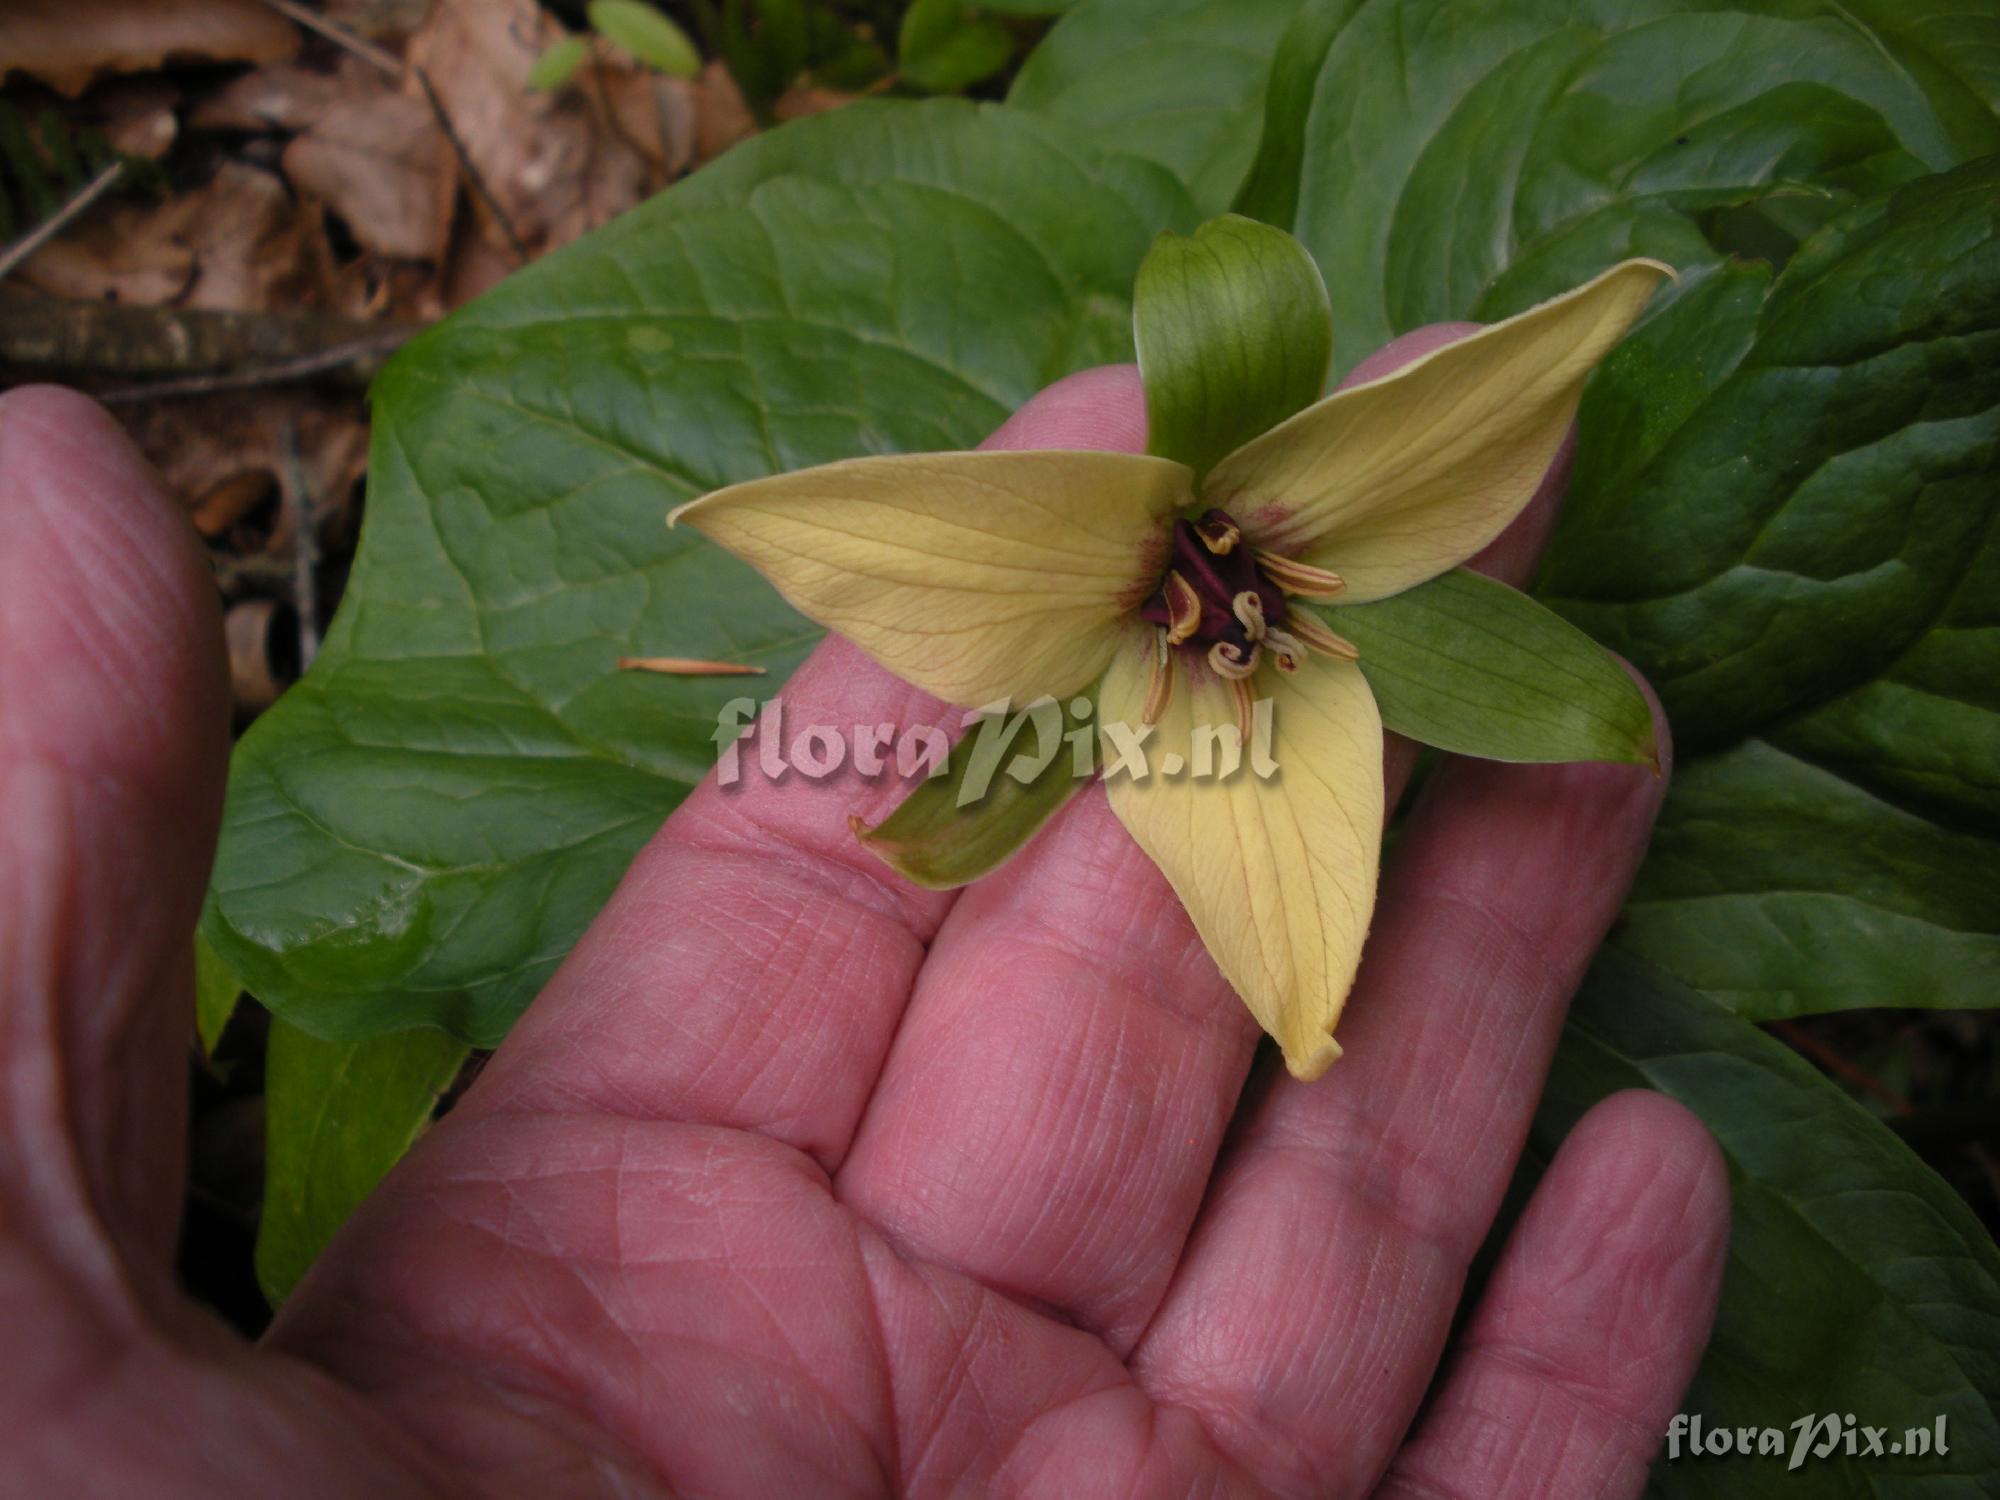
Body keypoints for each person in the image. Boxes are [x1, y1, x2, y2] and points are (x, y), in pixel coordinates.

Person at [0, 334, 1727, 1497]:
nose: (1220, 608)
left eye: (1222, 602)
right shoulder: (1216, 608)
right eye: (1207, 597)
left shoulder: (1212, 612)